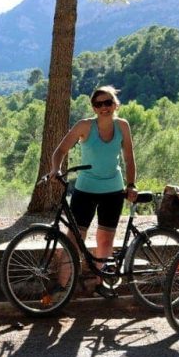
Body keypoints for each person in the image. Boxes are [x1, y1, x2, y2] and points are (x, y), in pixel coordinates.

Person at [46, 85, 138, 299]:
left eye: (108, 103)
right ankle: (62, 285)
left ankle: (101, 283)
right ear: (93, 108)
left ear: (116, 104)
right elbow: (60, 150)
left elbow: (129, 159)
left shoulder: (122, 126)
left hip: (113, 189)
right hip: (85, 189)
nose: (104, 107)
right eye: (99, 104)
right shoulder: (84, 126)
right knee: (74, 238)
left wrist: (131, 184)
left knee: (105, 239)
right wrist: (55, 168)